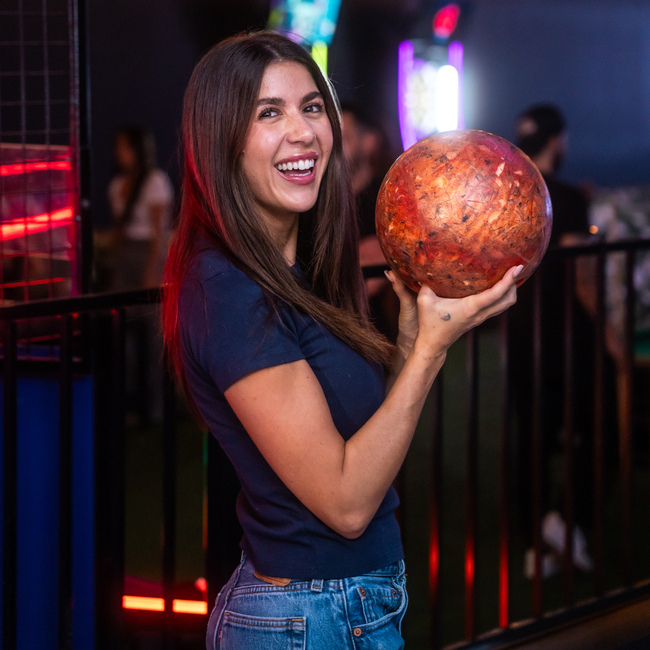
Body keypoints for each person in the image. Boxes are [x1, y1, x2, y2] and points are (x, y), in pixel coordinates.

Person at [162, 30, 521, 649]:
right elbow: (347, 502)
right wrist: (431, 355)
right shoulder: (227, 291)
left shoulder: (295, 272)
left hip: (343, 606)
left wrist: (411, 342)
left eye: (311, 106)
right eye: (267, 113)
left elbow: (366, 447)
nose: (303, 131)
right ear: (219, 142)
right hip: (305, 619)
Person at [510, 104, 619, 578]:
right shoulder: (568, 197)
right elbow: (582, 277)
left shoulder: (509, 194)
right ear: (558, 141)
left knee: (530, 437)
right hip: (569, 337)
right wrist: (611, 336)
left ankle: (539, 541)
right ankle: (568, 521)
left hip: (520, 332)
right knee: (599, 431)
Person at [341, 101, 399, 341]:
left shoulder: (392, 204)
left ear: (369, 142)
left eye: (342, 138)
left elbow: (362, 287)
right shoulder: (314, 204)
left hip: (376, 342)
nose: (328, 147)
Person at [107, 125, 174, 291]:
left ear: (138, 149)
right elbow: (118, 227)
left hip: (148, 250)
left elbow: (159, 232)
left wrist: (152, 270)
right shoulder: (117, 185)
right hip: (125, 251)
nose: (119, 151)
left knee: (150, 308)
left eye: (125, 146)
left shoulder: (155, 181)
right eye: (118, 146)